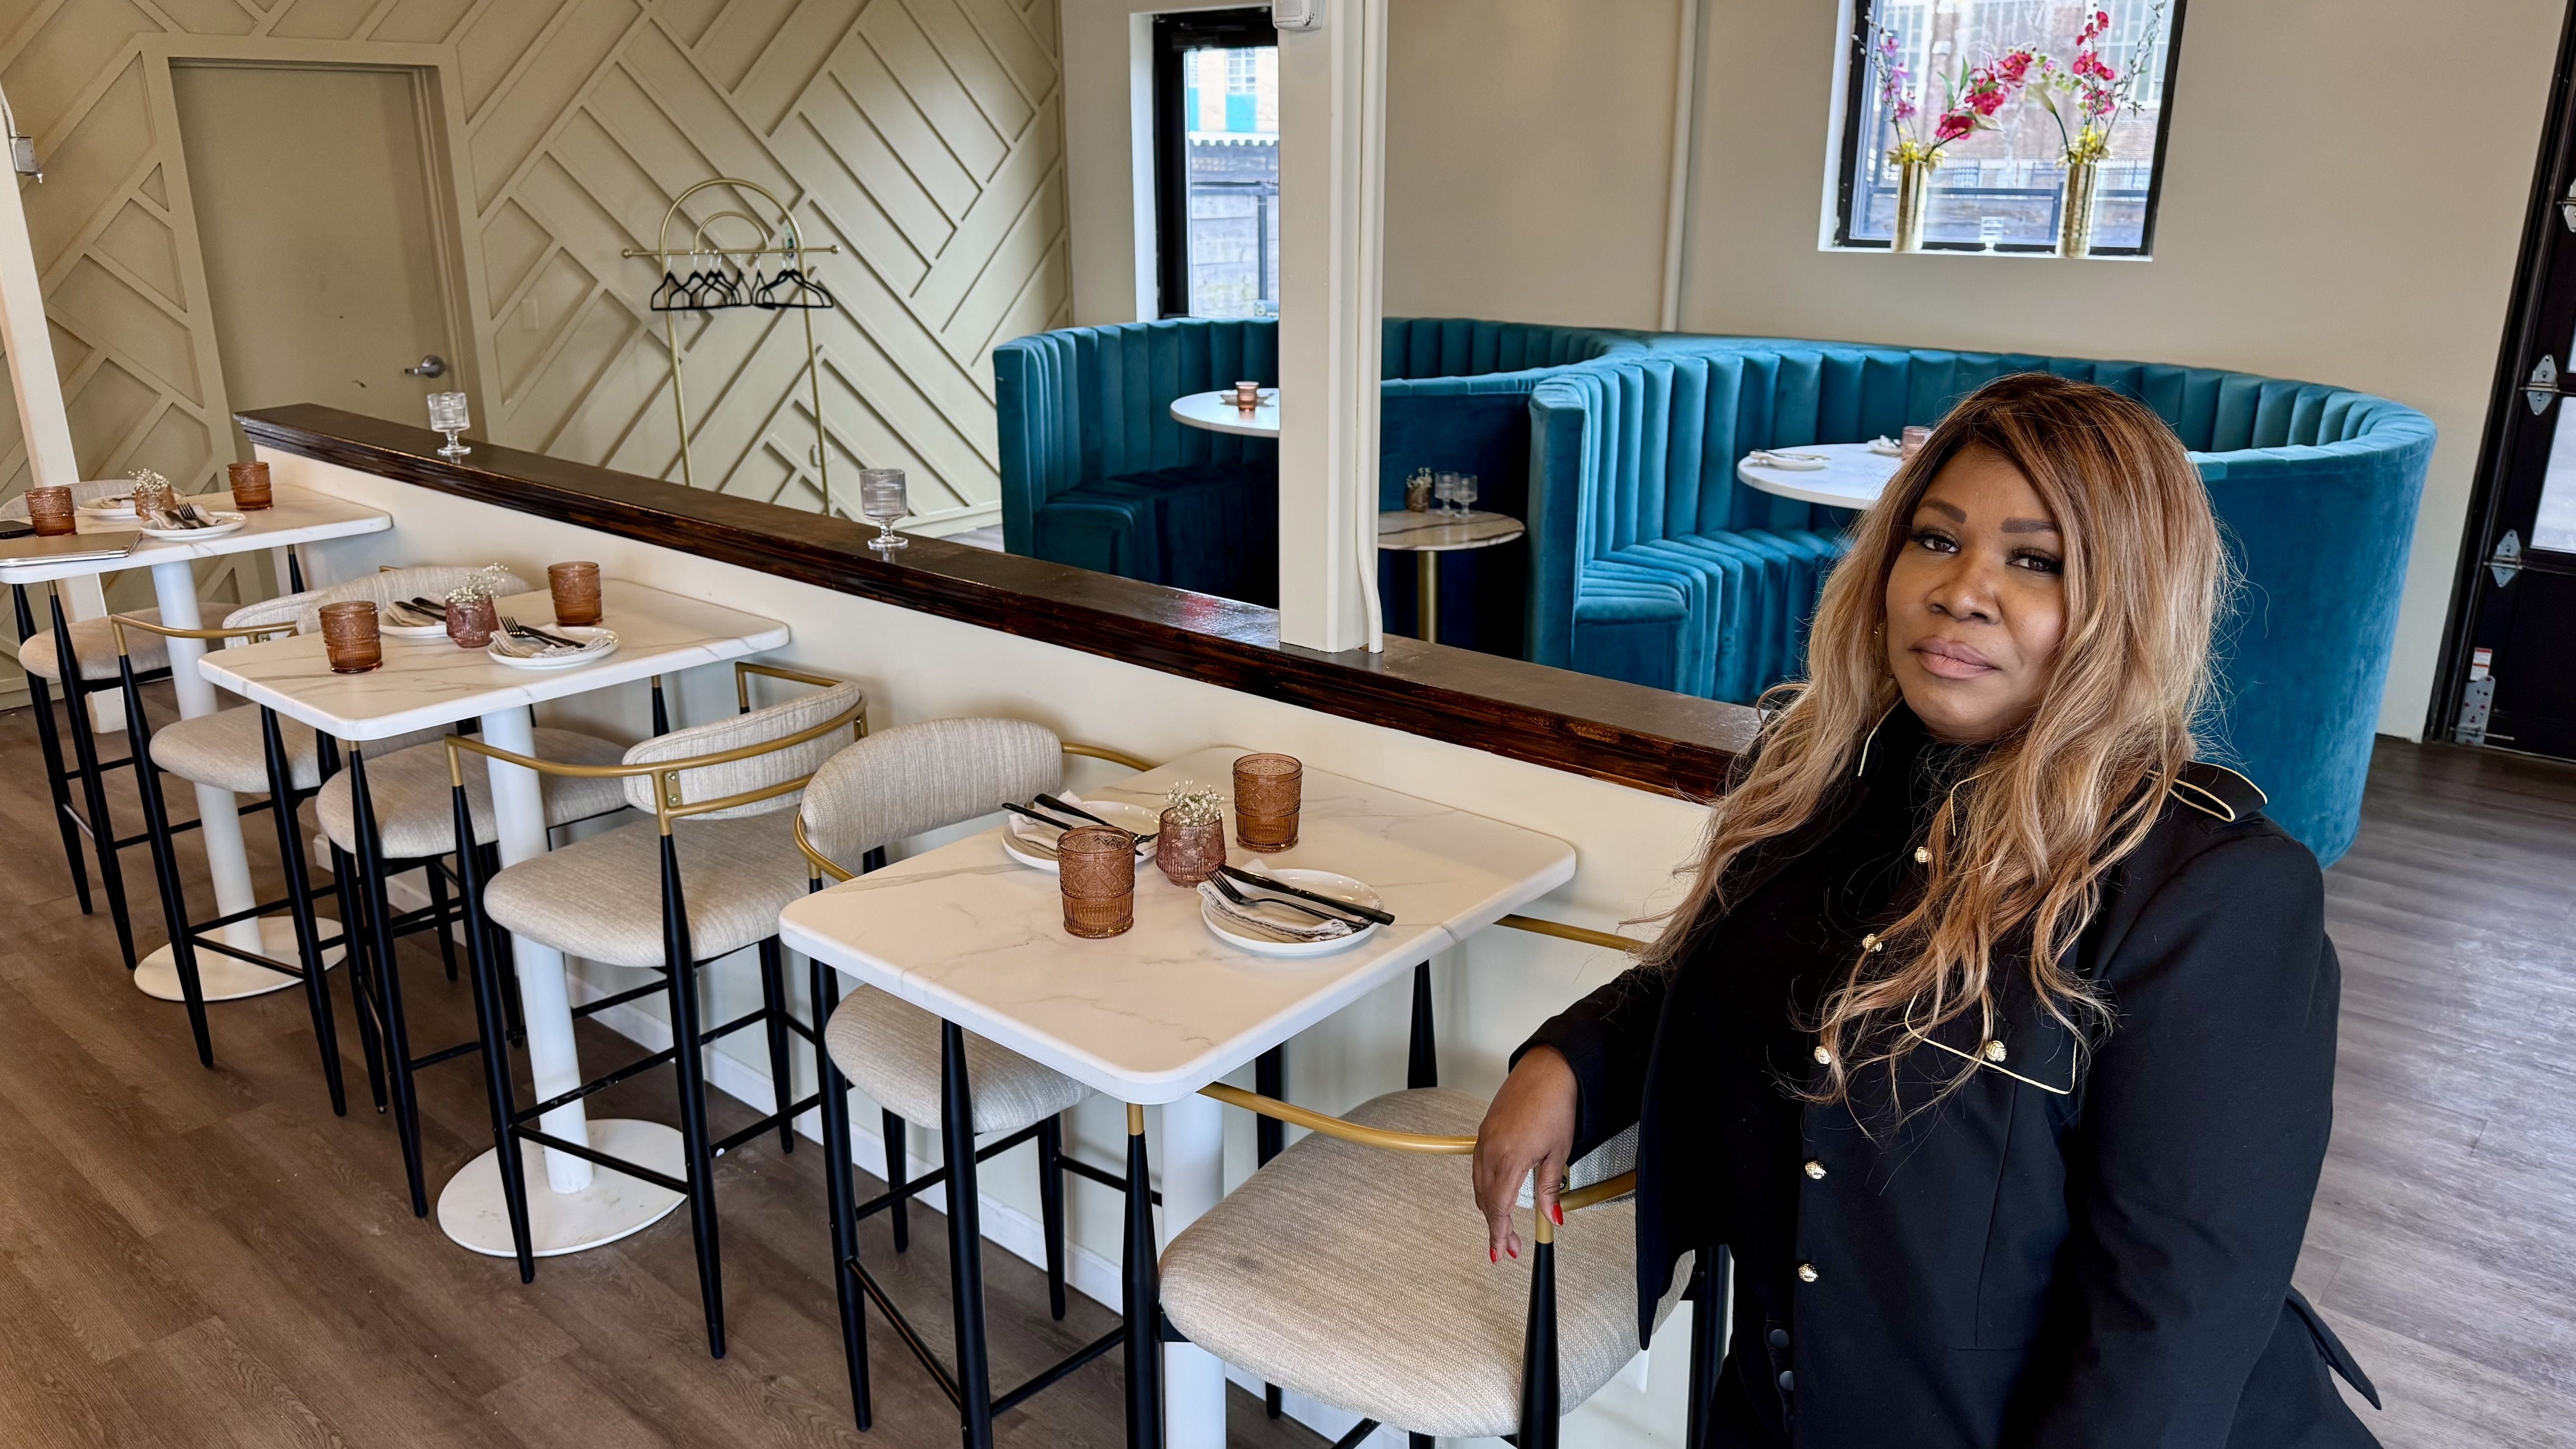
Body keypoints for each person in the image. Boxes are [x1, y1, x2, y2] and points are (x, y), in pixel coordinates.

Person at [1472, 374, 2380, 1447]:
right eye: (1936, 540)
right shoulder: (1827, 771)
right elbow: (1740, 976)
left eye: (2034, 561)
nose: (1963, 590)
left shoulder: (2212, 892)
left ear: (2129, 601)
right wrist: (1574, 1058)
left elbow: (2164, 1335)